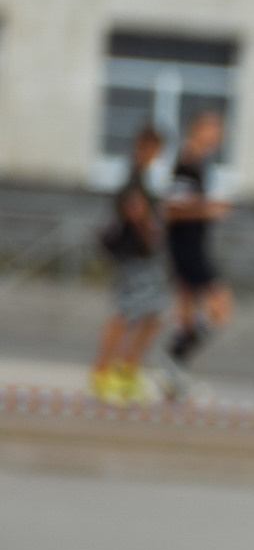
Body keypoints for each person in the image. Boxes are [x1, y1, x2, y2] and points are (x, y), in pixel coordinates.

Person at [91, 125, 166, 404]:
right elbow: (136, 212)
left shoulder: (139, 179)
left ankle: (126, 370)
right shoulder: (135, 181)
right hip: (133, 258)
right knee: (125, 314)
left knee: (152, 314)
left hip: (138, 258)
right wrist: (152, 234)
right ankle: (103, 373)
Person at [162, 111, 233, 389]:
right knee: (221, 307)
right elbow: (173, 208)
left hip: (194, 247)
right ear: (198, 131)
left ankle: (176, 371)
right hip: (187, 249)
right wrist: (210, 209)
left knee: (188, 314)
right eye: (212, 131)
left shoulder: (199, 164)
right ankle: (175, 357)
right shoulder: (186, 163)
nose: (216, 138)